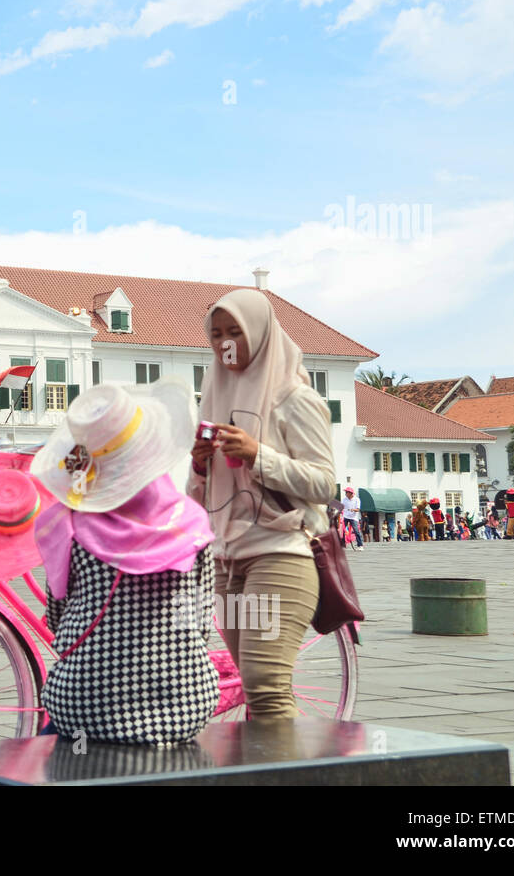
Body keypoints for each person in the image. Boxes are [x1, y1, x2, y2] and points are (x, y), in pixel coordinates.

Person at [27, 380, 218, 743]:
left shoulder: (69, 526)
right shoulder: (191, 526)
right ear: (153, 454)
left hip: (81, 707)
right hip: (183, 704)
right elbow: (200, 622)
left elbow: (57, 619)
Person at [188, 289, 335, 720]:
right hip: (227, 561)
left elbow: (324, 484)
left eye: (235, 332)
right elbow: (197, 500)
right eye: (215, 335)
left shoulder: (294, 398)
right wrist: (199, 468)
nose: (224, 343)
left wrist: (258, 454)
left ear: (261, 333)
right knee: (255, 689)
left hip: (280, 553)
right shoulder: (215, 397)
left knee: (266, 686)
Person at [341, 487, 364, 551]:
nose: (345, 493)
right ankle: (343, 545)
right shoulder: (344, 499)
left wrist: (353, 509)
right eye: (345, 492)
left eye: (346, 492)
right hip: (345, 516)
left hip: (353, 518)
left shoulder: (357, 499)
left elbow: (358, 509)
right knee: (342, 531)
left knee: (356, 531)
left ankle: (360, 545)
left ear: (351, 493)